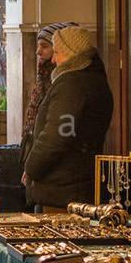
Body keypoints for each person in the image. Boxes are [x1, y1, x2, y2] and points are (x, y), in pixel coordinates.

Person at [22, 26, 114, 210]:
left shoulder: (72, 85)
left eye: (57, 52)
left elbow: (57, 137)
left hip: (61, 189)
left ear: (72, 53)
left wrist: (31, 168)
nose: (54, 59)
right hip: (75, 185)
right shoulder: (94, 79)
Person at [21, 21, 78, 153]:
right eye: (38, 46)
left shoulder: (66, 82)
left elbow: (59, 130)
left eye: (44, 46)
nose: (38, 52)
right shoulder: (43, 76)